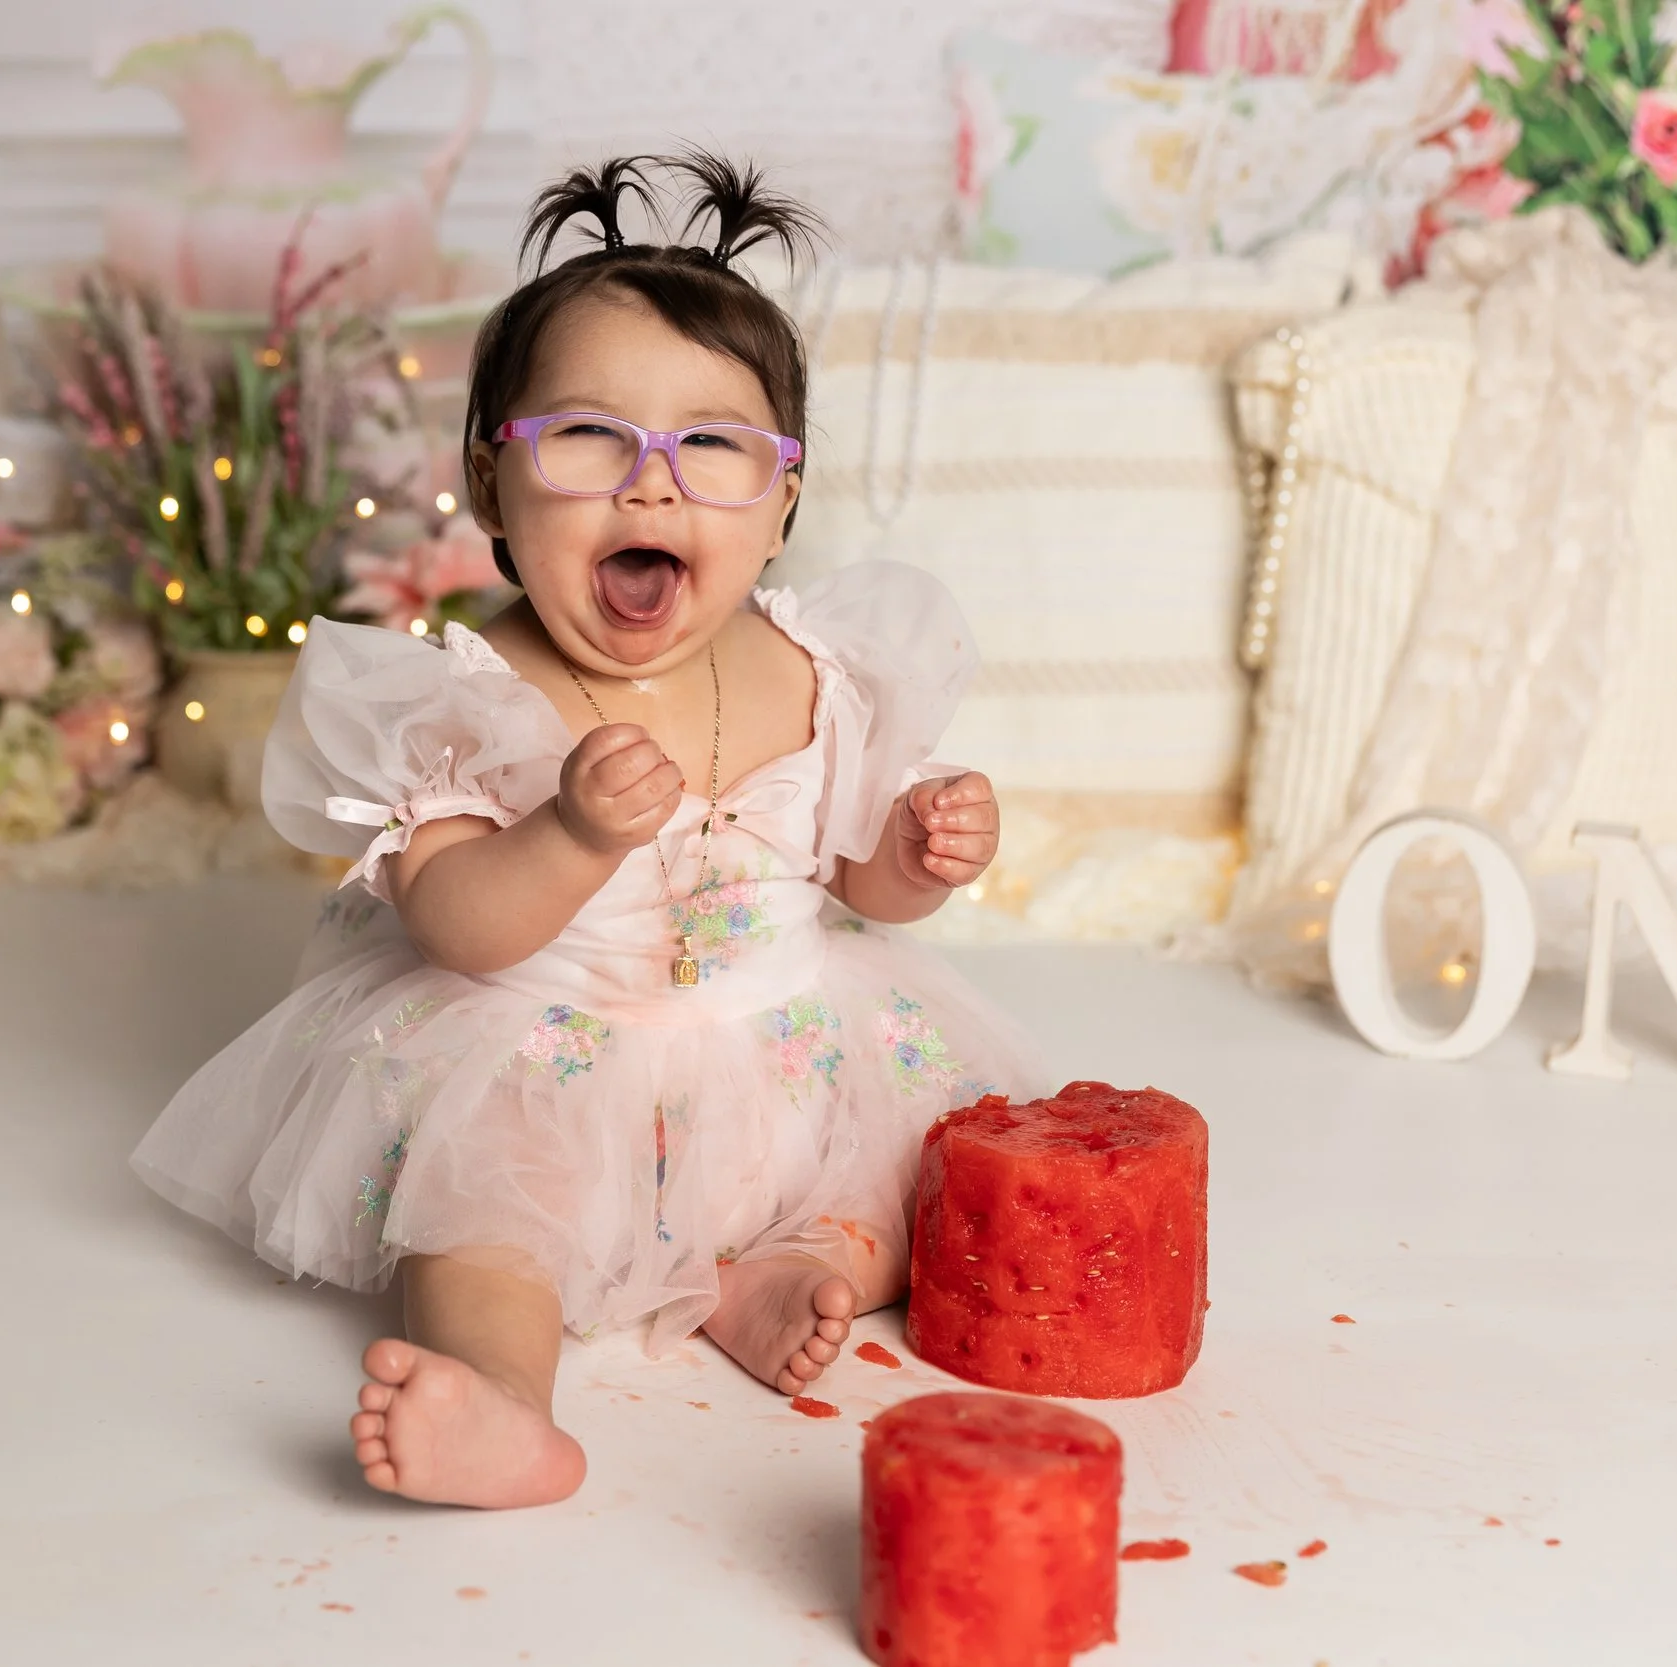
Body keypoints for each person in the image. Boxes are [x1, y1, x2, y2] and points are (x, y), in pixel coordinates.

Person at [131, 152, 1044, 1508]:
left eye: (713, 445)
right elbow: (454, 920)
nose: (652, 487)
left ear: (783, 497)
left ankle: (784, 1272)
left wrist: (913, 853)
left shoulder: (815, 668)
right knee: (479, 1230)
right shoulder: (471, 698)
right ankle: (503, 1401)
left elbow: (852, 877)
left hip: (778, 1042)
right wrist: (564, 830)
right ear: (492, 487)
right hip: (544, 1061)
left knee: (920, 1175)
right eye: (588, 439)